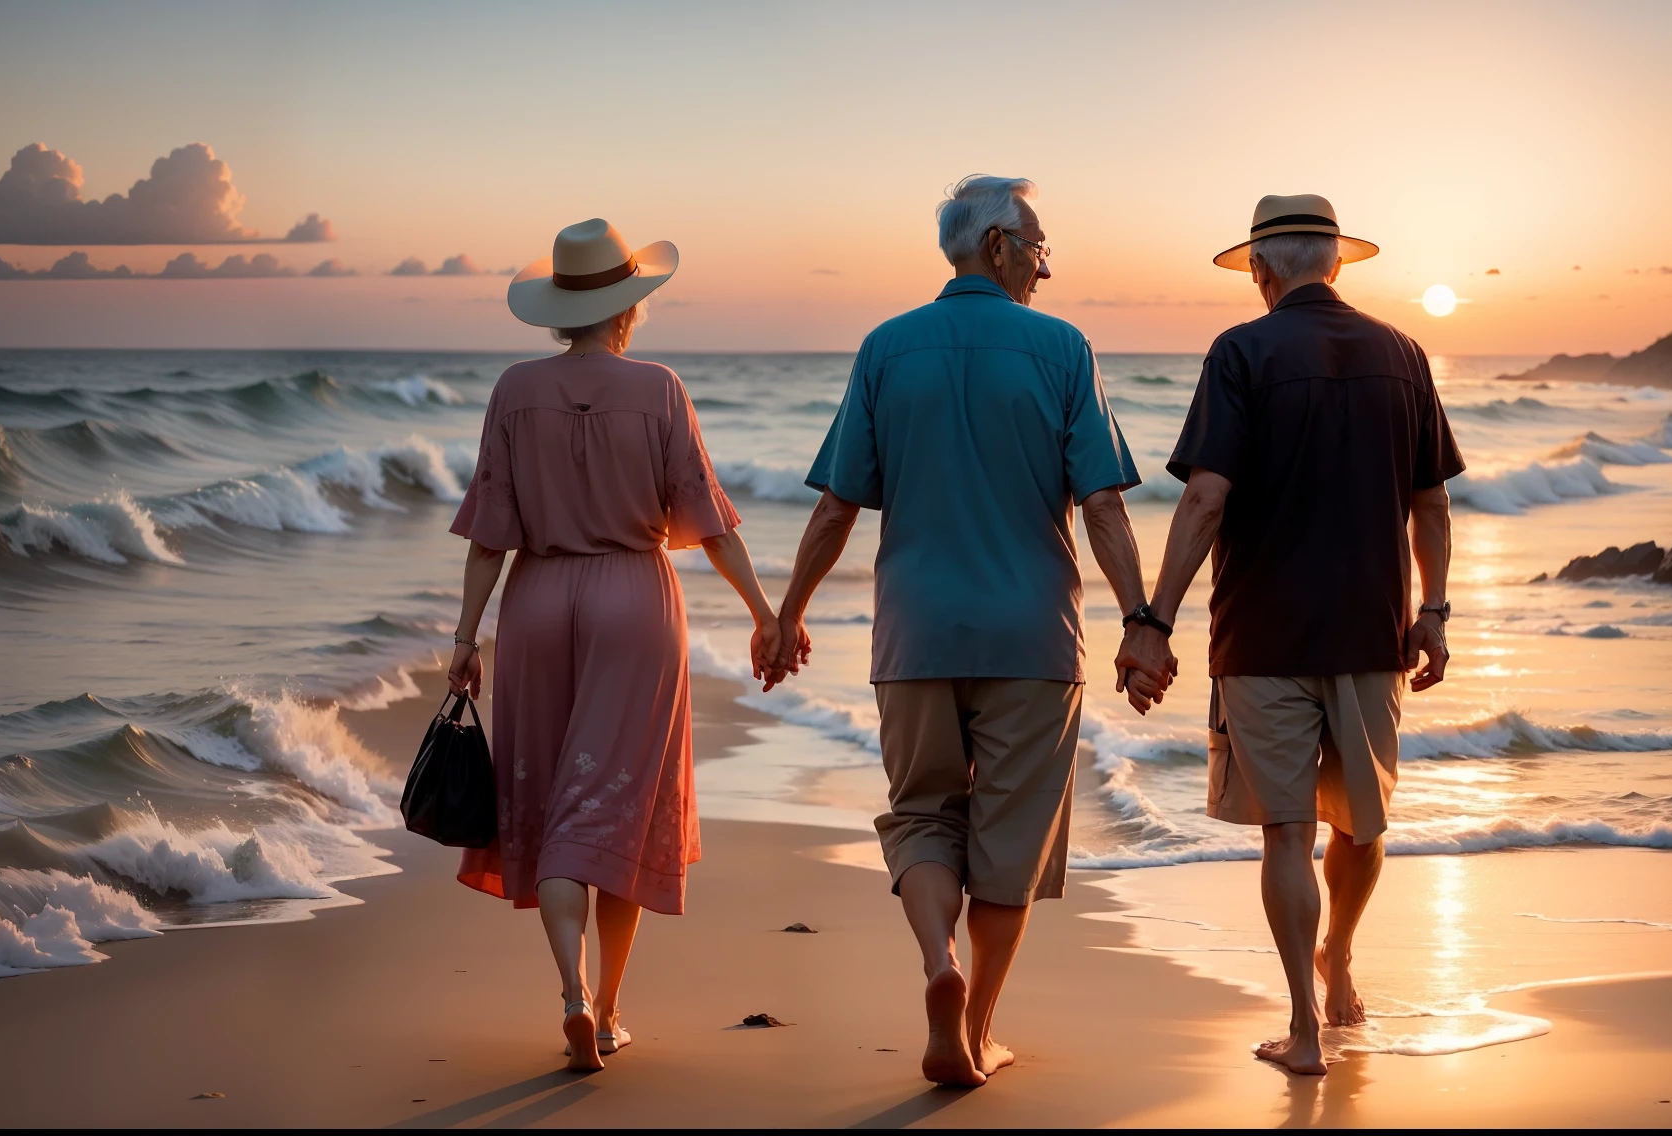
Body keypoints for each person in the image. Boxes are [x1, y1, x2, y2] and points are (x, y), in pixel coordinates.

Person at [770, 175, 1171, 1087]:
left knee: (920, 816)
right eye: (1038, 247)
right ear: (998, 245)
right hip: (1033, 638)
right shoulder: (1062, 348)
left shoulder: (885, 347)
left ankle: (936, 965)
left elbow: (838, 508)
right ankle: (977, 1025)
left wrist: (787, 615)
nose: (1044, 265)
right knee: (1009, 841)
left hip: (914, 636)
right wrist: (1140, 621)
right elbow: (1102, 505)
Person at [1135, 194, 1461, 1075]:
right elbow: (1431, 503)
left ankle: (1304, 1031)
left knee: (1286, 832)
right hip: (1370, 631)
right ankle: (1341, 964)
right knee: (1361, 826)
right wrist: (1432, 613)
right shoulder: (1404, 353)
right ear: (1339, 264)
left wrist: (1154, 620)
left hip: (1263, 634)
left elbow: (1206, 497)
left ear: (1263, 271)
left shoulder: (1240, 351)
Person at [446, 218, 780, 1073]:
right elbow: (708, 523)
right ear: (629, 308)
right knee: (617, 810)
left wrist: (464, 636)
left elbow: (490, 536)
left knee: (557, 798)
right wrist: (764, 612)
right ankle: (610, 1011)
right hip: (635, 599)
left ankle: (571, 991)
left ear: (559, 307)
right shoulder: (660, 389)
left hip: (537, 600)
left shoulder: (515, 390)